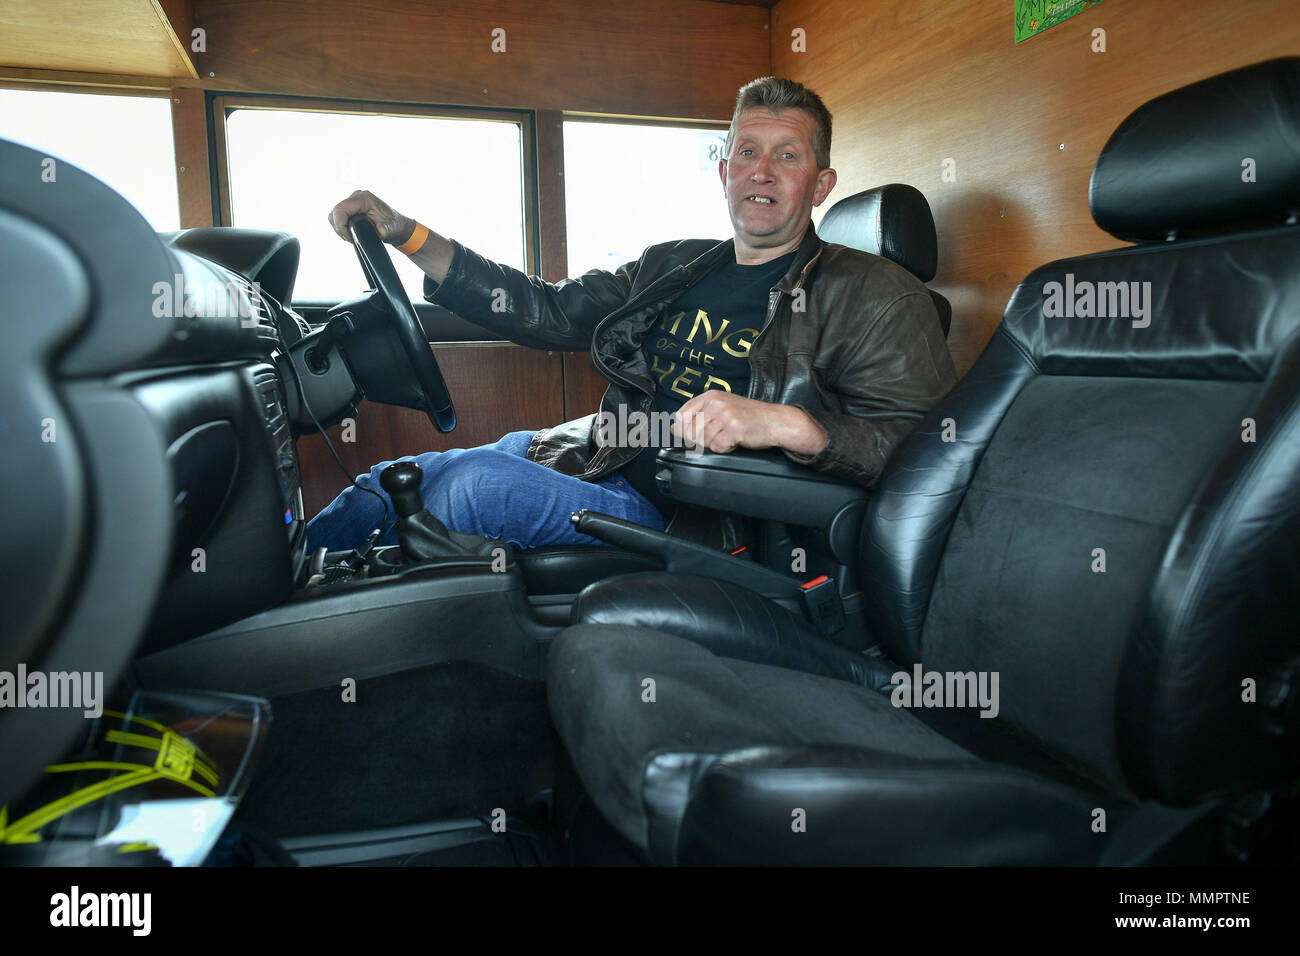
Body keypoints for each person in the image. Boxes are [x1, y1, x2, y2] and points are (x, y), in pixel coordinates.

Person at [306, 76, 957, 554]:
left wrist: (792, 424)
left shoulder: (880, 295)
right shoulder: (672, 264)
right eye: (748, 153)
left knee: (469, 490)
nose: (763, 172)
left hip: (694, 519)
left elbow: (928, 452)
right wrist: (405, 234)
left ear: (820, 184)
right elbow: (542, 308)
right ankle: (272, 602)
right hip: (594, 456)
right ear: (724, 170)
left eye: (788, 155)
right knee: (395, 481)